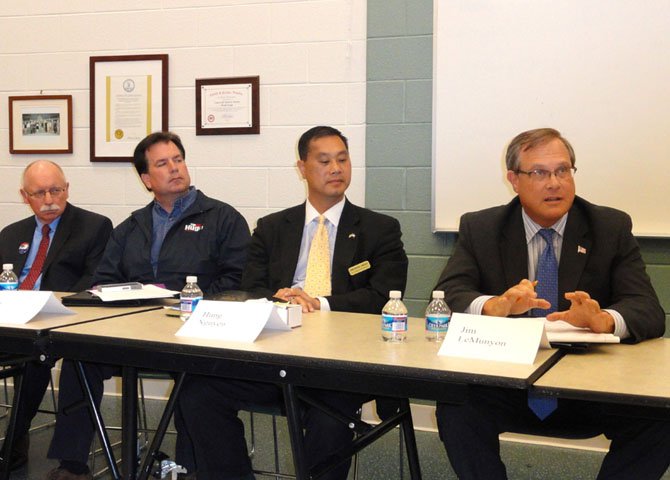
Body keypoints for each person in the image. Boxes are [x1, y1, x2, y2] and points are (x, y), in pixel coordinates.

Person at [435, 127, 670, 479]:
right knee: (456, 405)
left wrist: (602, 320)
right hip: (508, 383)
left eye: (563, 171)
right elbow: (449, 294)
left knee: (662, 418)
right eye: (539, 173)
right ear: (514, 180)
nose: (554, 183)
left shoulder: (609, 226)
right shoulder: (482, 227)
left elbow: (648, 310)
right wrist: (494, 306)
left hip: (593, 387)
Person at [176, 126, 409, 479]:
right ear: (302, 168)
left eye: (343, 160)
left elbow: (384, 297)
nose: (336, 169)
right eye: (325, 160)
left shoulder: (380, 229)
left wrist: (318, 303)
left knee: (329, 422)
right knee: (197, 392)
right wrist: (279, 297)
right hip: (275, 355)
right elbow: (250, 290)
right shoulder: (271, 228)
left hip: (340, 364)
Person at [45, 132, 251, 480]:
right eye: (162, 163)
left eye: (178, 159)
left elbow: (239, 282)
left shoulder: (222, 218)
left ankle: (189, 469)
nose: (174, 168)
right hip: (135, 332)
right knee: (79, 358)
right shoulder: (132, 227)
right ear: (146, 179)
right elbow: (104, 280)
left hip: (195, 332)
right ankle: (72, 464)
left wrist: (190, 304)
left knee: (196, 382)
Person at [0, 160, 112, 471]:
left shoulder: (94, 226)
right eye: (39, 193)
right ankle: (13, 439)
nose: (49, 199)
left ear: (67, 189)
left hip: (63, 320)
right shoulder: (11, 234)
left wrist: (50, 307)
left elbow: (95, 278)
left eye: (56, 190)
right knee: (28, 349)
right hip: (11, 319)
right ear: (25, 196)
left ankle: (59, 457)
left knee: (38, 354)